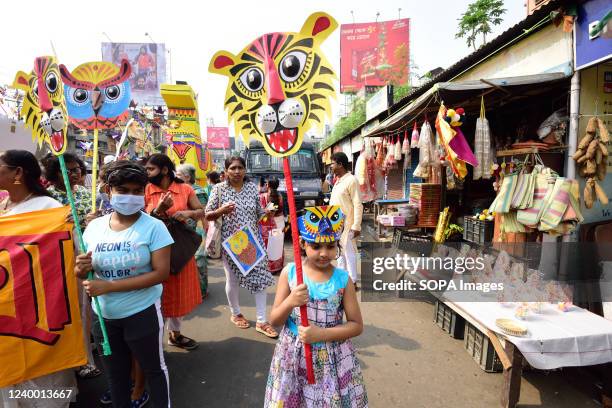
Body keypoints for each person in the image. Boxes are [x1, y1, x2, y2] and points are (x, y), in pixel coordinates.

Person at [75, 161, 172, 408]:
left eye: (137, 191)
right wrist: (81, 268)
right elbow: (81, 273)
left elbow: (161, 273)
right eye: (123, 190)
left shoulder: (154, 227)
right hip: (104, 318)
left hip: (142, 312)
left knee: (153, 370)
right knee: (115, 376)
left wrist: (110, 287)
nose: (130, 196)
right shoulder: (94, 228)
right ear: (108, 191)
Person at [265, 206, 368, 407]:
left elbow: (356, 325)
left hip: (333, 357)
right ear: (302, 244)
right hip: (293, 355)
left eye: (330, 246)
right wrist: (291, 301)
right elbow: (274, 320)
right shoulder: (290, 273)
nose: (324, 253)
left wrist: (320, 335)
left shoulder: (343, 279)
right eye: (315, 246)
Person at [0, 150, 77, 408]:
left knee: (45, 382)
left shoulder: (50, 210)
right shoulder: (3, 206)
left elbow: (69, 255)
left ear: (18, 173)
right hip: (8, 307)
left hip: (40, 309)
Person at [42, 152, 100, 380]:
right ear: (53, 174)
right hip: (58, 262)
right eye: (68, 171)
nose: (75, 174)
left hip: (85, 259)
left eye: (77, 169)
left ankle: (84, 355)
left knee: (85, 309)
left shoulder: (88, 195)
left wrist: (94, 222)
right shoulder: (48, 199)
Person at [205, 156, 278, 338]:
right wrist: (221, 211)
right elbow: (207, 215)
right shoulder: (219, 189)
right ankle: (235, 313)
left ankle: (262, 320)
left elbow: (258, 214)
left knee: (260, 279)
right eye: (233, 168)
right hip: (231, 244)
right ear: (226, 171)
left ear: (245, 170)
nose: (237, 171)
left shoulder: (252, 188)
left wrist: (267, 213)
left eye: (240, 168)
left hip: (252, 241)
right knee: (233, 280)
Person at [144, 153, 204, 350]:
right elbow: (139, 221)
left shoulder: (185, 189)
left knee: (178, 295)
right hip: (152, 252)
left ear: (163, 170)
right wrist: (158, 211)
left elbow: (200, 211)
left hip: (180, 251)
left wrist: (186, 213)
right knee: (156, 297)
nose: (147, 172)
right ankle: (155, 343)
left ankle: (175, 335)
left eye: (150, 169)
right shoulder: (145, 190)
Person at [329, 152, 363, 287]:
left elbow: (358, 204)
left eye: (332, 163)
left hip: (347, 224)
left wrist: (356, 225)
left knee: (348, 253)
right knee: (339, 253)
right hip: (336, 224)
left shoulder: (351, 180)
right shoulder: (338, 181)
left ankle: (352, 281)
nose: (331, 166)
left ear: (340, 164)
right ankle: (343, 280)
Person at [177, 163, 209, 298]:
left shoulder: (198, 191)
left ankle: (202, 291)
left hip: (197, 229)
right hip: (184, 230)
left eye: (178, 175)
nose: (175, 177)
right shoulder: (180, 190)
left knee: (199, 260)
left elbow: (203, 212)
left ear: (187, 176)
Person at [42, 152, 92, 231]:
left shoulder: (84, 191)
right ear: (54, 173)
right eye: (66, 171)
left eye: (76, 169)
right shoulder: (48, 196)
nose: (73, 174)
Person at [259, 177, 285, 273]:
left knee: (266, 246)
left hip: (266, 225)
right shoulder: (280, 196)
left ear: (267, 185)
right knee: (277, 245)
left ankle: (267, 268)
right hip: (279, 223)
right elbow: (280, 210)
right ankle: (277, 267)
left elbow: (262, 212)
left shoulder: (262, 196)